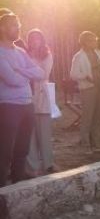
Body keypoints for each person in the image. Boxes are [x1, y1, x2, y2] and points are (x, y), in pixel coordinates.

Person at [0, 14, 47, 185]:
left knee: (22, 151)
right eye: (14, 25)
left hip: (28, 105)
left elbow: (41, 73)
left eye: (18, 24)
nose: (18, 27)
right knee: (5, 152)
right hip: (8, 107)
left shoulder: (20, 52)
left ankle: (18, 189)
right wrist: (27, 75)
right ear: (2, 28)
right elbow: (12, 80)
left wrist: (19, 70)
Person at [70, 31, 100, 153]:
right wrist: (86, 76)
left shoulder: (98, 52)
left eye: (95, 40)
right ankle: (85, 144)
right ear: (85, 42)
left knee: (99, 115)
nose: (95, 42)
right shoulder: (78, 56)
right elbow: (73, 74)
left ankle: (97, 143)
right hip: (88, 88)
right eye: (93, 40)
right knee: (87, 116)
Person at [25, 29, 55, 175]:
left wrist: (26, 71)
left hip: (42, 97)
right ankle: (33, 166)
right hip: (27, 97)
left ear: (42, 40)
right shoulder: (24, 54)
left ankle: (48, 163)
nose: (34, 41)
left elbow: (44, 74)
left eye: (37, 38)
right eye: (31, 38)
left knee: (44, 133)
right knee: (30, 134)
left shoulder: (47, 55)